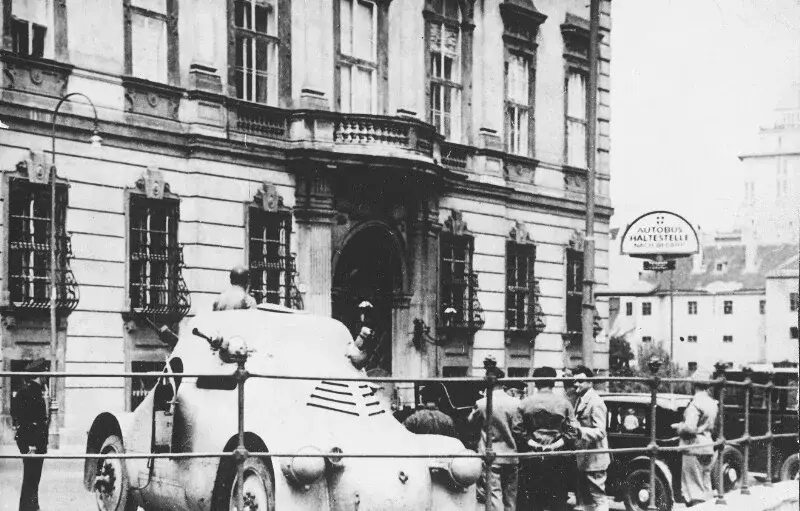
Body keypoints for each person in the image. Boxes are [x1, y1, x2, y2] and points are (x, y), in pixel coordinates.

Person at [517, 366, 579, 511]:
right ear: (553, 382)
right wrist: (555, 445)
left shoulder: (525, 403)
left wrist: (533, 443)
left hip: (532, 456)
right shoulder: (564, 403)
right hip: (558, 456)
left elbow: (517, 429)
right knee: (557, 498)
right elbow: (574, 429)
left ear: (536, 382)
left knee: (533, 498)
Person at [469, 364, 523, 511]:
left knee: (494, 495)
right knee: (510, 496)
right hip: (512, 455)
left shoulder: (481, 403)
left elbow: (471, 422)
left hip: (491, 456)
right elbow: (519, 430)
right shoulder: (516, 403)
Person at [671, 368, 718, 507]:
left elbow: (690, 427)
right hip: (708, 447)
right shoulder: (712, 403)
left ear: (694, 385)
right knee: (705, 487)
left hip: (693, 448)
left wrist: (679, 427)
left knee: (693, 489)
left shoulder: (695, 403)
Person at [11, 358, 50, 511]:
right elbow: (28, 421)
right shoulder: (32, 393)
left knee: (32, 479)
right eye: (44, 374)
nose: (46, 377)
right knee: (31, 479)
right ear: (39, 375)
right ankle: (29, 508)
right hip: (33, 444)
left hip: (33, 443)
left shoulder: (29, 391)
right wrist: (32, 445)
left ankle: (32, 507)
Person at [571, 365, 610, 511]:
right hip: (585, 457)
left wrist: (579, 431)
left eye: (580, 381)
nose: (576, 384)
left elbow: (600, 432)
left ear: (590, 382)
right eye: (575, 381)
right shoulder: (581, 399)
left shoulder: (596, 402)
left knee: (598, 498)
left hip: (594, 458)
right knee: (585, 499)